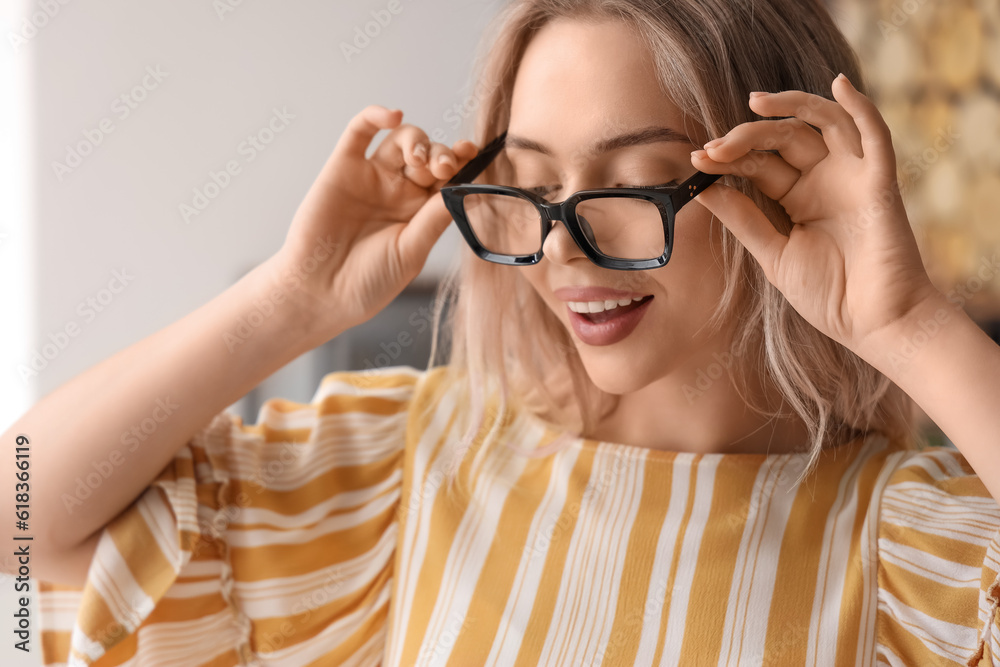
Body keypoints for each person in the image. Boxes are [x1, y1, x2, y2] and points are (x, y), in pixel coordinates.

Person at [7, 0, 1000, 664]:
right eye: (527, 186)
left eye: (632, 182)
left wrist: (906, 326)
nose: (560, 251)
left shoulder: (897, 544)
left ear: (784, 181)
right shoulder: (408, 475)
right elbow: (21, 518)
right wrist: (291, 300)